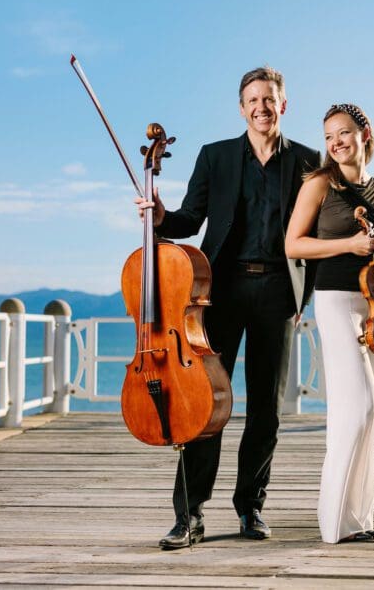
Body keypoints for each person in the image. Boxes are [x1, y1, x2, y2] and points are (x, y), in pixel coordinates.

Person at [135, 67, 320, 550]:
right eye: (253, 100)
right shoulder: (214, 156)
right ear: (241, 109)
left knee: (266, 410)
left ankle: (250, 506)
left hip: (277, 293)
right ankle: (189, 515)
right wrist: (161, 217)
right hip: (219, 292)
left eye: (270, 99)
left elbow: (316, 234)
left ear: (284, 105)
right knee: (204, 405)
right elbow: (190, 219)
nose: (262, 107)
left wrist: (304, 296)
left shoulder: (308, 160)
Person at [285, 103, 374, 543]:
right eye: (329, 136)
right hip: (334, 301)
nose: (335, 143)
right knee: (357, 408)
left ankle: (358, 519)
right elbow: (293, 244)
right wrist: (348, 243)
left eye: (344, 133)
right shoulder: (319, 184)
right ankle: (332, 523)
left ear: (364, 134)